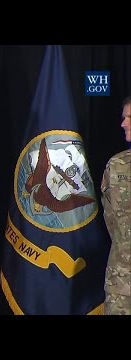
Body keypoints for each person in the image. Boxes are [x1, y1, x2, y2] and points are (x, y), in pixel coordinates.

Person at [101, 95, 131, 315]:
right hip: (121, 285)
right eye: (124, 117)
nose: (124, 123)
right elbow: (112, 222)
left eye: (130, 117)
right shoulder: (117, 165)